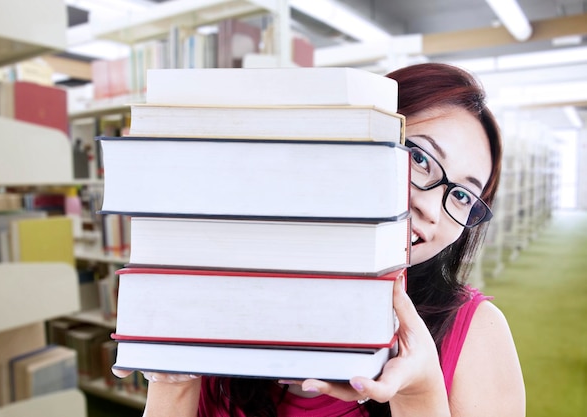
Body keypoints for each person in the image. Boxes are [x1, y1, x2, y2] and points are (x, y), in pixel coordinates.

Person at [113, 62, 526, 417]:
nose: (432, 211)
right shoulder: (225, 288)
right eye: (419, 157)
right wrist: (172, 377)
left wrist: (420, 394)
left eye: (461, 195)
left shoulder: (477, 334)